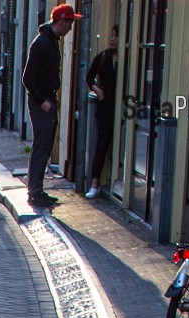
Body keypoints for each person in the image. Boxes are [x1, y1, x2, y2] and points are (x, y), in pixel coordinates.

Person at [22, 3, 81, 209]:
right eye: (70, 24)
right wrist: (43, 102)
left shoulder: (50, 41)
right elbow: (27, 78)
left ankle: (37, 190)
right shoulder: (42, 43)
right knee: (42, 145)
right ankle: (34, 191)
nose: (71, 29)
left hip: (46, 99)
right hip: (42, 102)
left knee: (44, 145)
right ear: (62, 22)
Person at [85, 24, 118, 198]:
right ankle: (94, 184)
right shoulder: (103, 57)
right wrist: (97, 90)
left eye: (116, 36)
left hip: (122, 108)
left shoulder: (128, 59)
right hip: (105, 107)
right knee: (101, 144)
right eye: (111, 35)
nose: (112, 39)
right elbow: (88, 77)